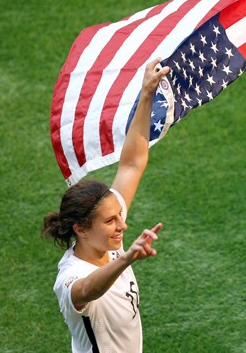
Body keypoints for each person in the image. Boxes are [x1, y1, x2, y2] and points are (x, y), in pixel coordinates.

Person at [42, 58, 170, 352]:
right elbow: (88, 289)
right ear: (81, 229)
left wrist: (147, 93)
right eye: (111, 221)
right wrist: (126, 259)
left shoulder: (107, 235)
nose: (122, 225)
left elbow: (132, 163)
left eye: (119, 217)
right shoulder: (70, 277)